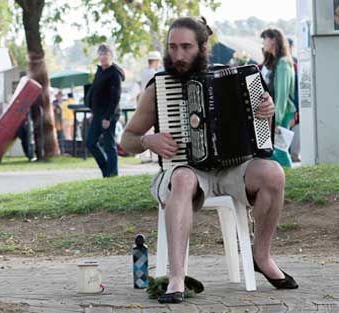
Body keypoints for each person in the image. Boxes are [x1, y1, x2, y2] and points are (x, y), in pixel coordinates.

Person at [120, 17, 298, 304]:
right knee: (182, 177)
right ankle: (177, 277)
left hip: (231, 168)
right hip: (186, 169)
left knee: (273, 173)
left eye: (186, 47)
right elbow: (126, 139)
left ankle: (261, 256)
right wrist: (147, 141)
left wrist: (266, 108)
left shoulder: (230, 76)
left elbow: (259, 122)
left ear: (203, 47)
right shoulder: (158, 88)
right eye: (172, 47)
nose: (177, 54)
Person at [86, 44, 125, 177]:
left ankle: (112, 173)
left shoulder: (114, 73)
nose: (103, 57)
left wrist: (108, 118)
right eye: (101, 54)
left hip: (109, 115)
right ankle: (106, 171)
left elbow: (115, 98)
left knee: (109, 145)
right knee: (90, 142)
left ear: (111, 56)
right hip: (97, 114)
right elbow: (95, 92)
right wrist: (93, 111)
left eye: (106, 54)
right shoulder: (99, 71)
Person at [260, 28, 296, 167]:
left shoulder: (283, 63)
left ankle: (291, 179)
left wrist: (277, 120)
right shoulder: (273, 61)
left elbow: (282, 94)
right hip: (274, 112)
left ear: (273, 40)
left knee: (280, 149)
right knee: (271, 150)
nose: (263, 43)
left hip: (282, 113)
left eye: (265, 39)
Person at [287, 38, 300, 163]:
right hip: (288, 105)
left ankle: (294, 155)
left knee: (296, 130)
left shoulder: (296, 62)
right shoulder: (280, 62)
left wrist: (296, 108)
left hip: (294, 104)